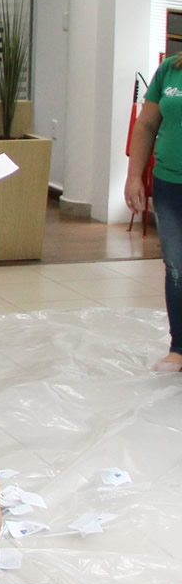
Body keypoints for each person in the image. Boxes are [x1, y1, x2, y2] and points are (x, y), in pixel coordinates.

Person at [127, 53, 182, 372]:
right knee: (176, 267)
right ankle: (179, 347)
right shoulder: (170, 70)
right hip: (170, 184)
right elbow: (146, 125)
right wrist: (135, 175)